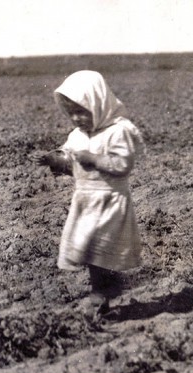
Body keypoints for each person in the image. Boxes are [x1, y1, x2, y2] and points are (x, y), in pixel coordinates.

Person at [32, 70, 143, 319]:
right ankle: (105, 289)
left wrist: (93, 159)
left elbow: (122, 165)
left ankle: (101, 292)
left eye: (82, 111)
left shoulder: (118, 131)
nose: (76, 118)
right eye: (71, 113)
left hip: (109, 200)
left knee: (101, 250)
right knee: (90, 249)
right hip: (86, 201)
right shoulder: (77, 136)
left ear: (99, 104)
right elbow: (72, 162)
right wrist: (54, 159)